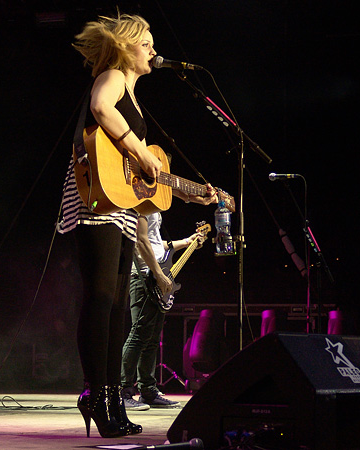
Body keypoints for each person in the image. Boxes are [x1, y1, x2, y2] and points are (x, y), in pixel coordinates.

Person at [57, 13, 217, 439]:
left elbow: (148, 177)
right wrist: (136, 149)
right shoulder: (112, 76)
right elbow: (100, 108)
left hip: (124, 206)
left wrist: (187, 191)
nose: (152, 50)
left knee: (115, 307)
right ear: (126, 46)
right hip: (96, 196)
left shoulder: (137, 95)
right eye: (146, 43)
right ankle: (95, 392)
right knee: (102, 295)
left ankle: (112, 396)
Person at [121, 213, 205, 410]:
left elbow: (157, 245)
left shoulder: (155, 210)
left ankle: (148, 391)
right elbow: (140, 242)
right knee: (138, 334)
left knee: (151, 338)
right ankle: (123, 391)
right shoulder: (139, 206)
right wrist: (158, 274)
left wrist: (187, 242)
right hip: (144, 277)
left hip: (157, 276)